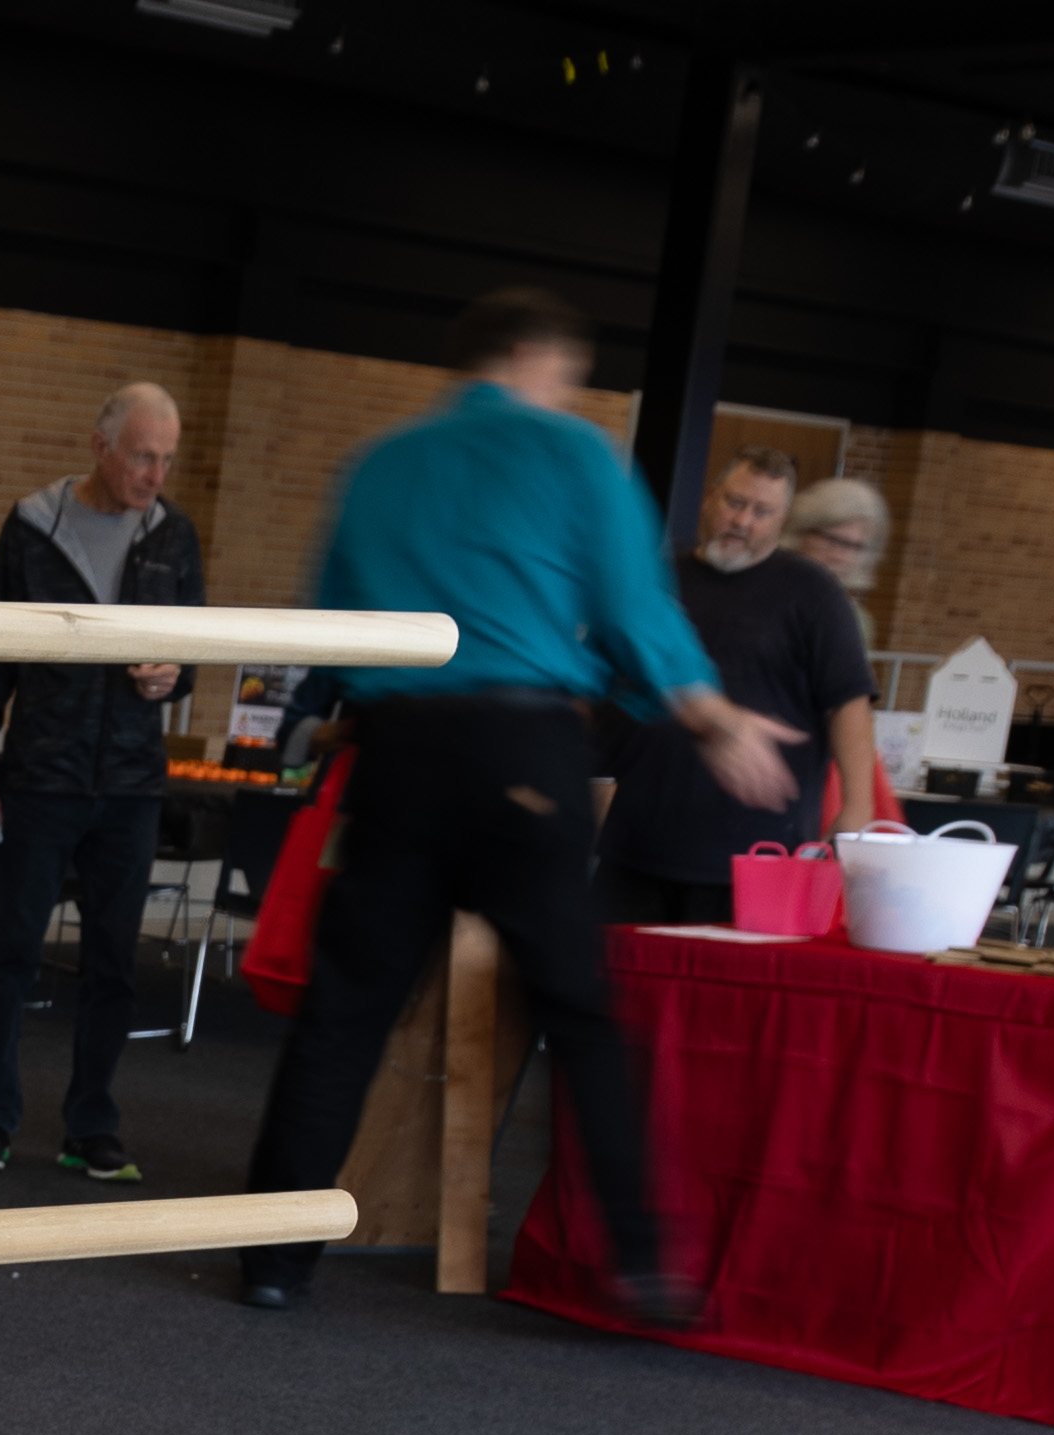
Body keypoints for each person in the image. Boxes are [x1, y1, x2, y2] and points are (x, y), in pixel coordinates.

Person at [233, 288, 793, 1320]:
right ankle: (641, 1261)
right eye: (567, 374)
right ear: (538, 359)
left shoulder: (383, 463)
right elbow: (630, 609)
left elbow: (333, 620)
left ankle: (272, 1256)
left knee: (346, 1008)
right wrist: (703, 713)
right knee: (578, 1007)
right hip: (523, 752)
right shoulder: (575, 455)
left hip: (398, 754)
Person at [0, 383, 204, 1181]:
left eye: (166, 459)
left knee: (114, 969)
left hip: (130, 787)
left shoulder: (175, 538)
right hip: (40, 780)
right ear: (101, 448)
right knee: (12, 958)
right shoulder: (32, 528)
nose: (154, 474)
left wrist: (173, 676)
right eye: (141, 456)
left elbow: (190, 655)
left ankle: (92, 1124)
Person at [602, 445, 887, 926]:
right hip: (639, 839)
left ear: (782, 520)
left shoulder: (813, 593)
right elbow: (613, 685)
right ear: (711, 497)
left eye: (762, 511)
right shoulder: (657, 579)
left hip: (757, 849)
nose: (743, 521)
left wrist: (858, 806)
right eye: (735, 502)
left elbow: (848, 703)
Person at [788, 476, 888, 650]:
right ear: (801, 534)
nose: (841, 556)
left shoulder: (856, 622)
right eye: (833, 540)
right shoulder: (757, 594)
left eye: (855, 546)